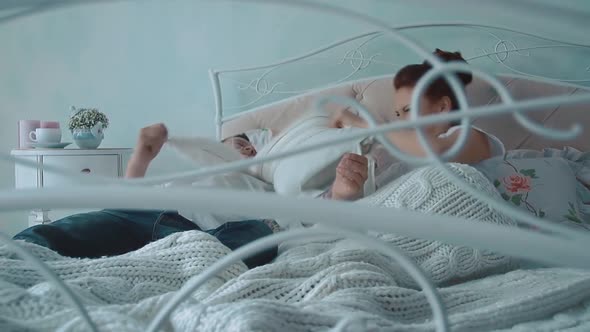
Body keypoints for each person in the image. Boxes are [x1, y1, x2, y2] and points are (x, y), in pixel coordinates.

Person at [12, 123, 369, 267]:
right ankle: (12, 258)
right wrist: (142, 158)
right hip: (148, 213)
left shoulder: (267, 187)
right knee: (64, 230)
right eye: (235, 144)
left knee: (260, 235)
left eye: (249, 146)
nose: (243, 150)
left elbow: (307, 215)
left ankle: (153, 266)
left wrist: (340, 193)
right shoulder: (197, 171)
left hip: (201, 236)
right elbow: (133, 195)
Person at [327, 49, 505, 196]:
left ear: (442, 107)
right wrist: (348, 189)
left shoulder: (472, 137)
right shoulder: (400, 166)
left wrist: (363, 122)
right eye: (398, 113)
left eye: (408, 109)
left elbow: (437, 151)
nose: (401, 120)